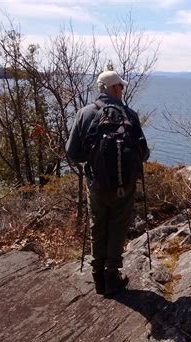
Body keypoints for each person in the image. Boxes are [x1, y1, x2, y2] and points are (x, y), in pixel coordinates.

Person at [66, 71, 149, 296]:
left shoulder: (84, 114)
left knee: (98, 226)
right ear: (113, 89)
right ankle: (112, 276)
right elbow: (144, 152)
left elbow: (72, 153)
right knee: (118, 227)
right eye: (120, 87)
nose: (122, 90)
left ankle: (98, 279)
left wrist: (93, 161)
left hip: (96, 184)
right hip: (125, 185)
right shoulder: (129, 114)